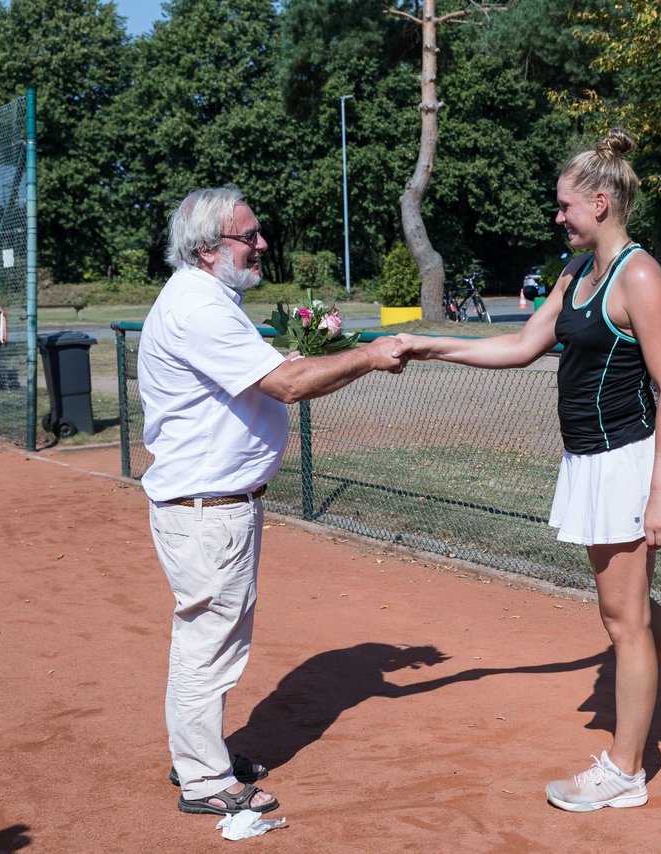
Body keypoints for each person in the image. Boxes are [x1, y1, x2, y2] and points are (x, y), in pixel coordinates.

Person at [392, 128, 661, 813]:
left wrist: (660, 493)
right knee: (631, 606)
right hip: (590, 458)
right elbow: (524, 344)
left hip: (629, 462)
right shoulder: (575, 274)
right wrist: (429, 346)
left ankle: (623, 771)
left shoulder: (637, 275)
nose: (558, 216)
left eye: (565, 206)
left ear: (602, 203)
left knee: (623, 622)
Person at [138, 185, 407, 817]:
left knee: (211, 640)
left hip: (213, 507)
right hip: (209, 509)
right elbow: (285, 385)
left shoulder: (209, 298)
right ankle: (205, 780)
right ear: (207, 249)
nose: (262, 244)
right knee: (208, 644)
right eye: (248, 236)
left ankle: (199, 756)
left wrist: (317, 357)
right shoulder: (199, 307)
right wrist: (367, 355)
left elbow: (263, 375)